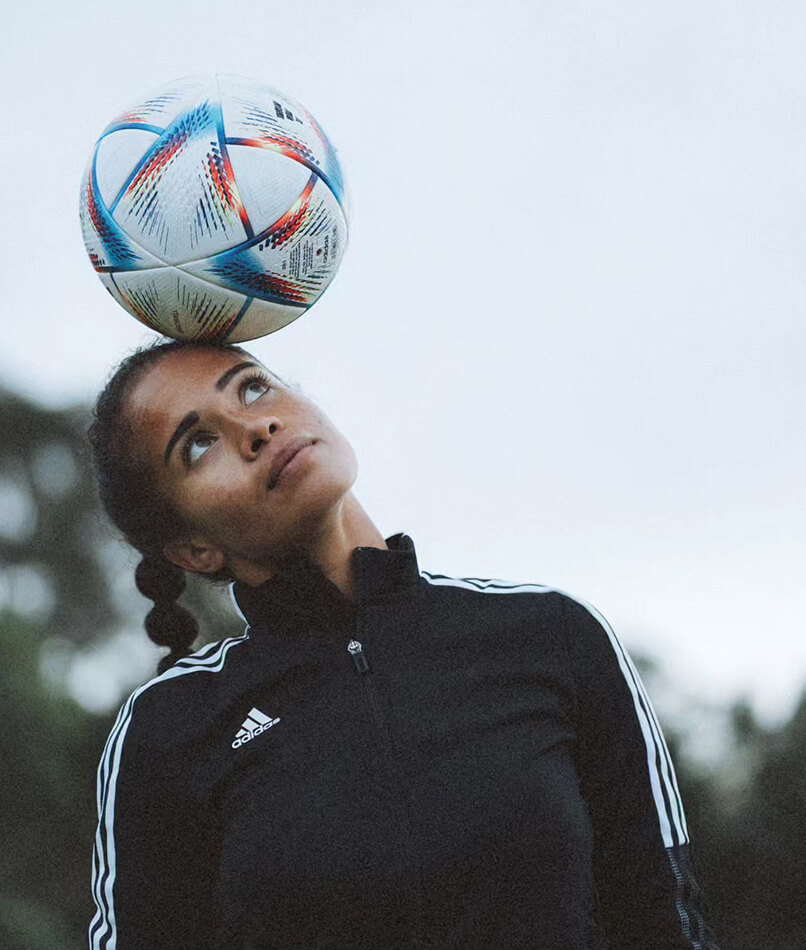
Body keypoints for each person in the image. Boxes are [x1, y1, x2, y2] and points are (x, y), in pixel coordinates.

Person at [87, 339, 720, 950]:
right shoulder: (165, 730)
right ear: (195, 549)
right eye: (198, 445)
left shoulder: (552, 634)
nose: (257, 428)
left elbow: (664, 922)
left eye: (254, 388)